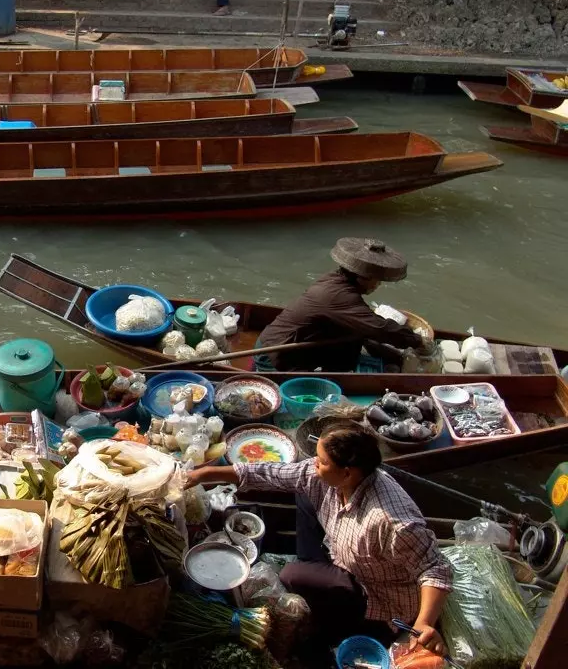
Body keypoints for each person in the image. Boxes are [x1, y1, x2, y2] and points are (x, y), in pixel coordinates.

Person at [187, 421, 452, 653]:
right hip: (338, 551)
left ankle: (329, 616)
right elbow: (271, 473)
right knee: (303, 490)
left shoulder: (392, 522)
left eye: (321, 462)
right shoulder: (326, 477)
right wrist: (205, 474)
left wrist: (424, 622)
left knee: (291, 574)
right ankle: (314, 571)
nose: (314, 465)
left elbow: (435, 569)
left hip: (372, 592)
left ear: (347, 472)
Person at [253, 237, 429, 372]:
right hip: (274, 354)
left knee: (353, 340)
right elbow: (378, 328)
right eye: (377, 281)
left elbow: (364, 327)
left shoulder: (334, 280)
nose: (378, 285)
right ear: (362, 277)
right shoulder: (339, 297)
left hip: (286, 344)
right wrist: (417, 341)